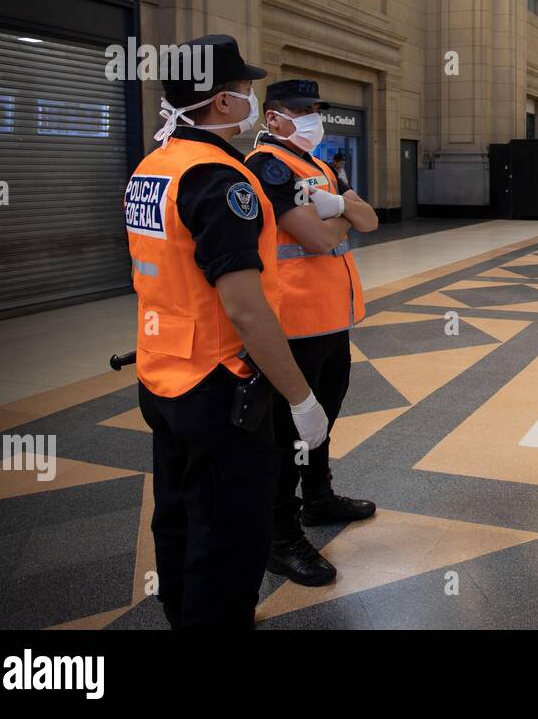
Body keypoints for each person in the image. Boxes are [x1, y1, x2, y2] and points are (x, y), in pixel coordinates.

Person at [124, 34, 328, 629]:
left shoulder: (152, 167)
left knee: (179, 513)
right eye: (243, 90)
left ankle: (186, 614)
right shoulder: (220, 180)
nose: (250, 100)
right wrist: (301, 397)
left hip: (160, 374)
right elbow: (244, 308)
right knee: (231, 529)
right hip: (219, 385)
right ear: (219, 102)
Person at [247, 79, 379, 586]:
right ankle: (281, 538)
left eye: (316, 110)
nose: (311, 118)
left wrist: (339, 207)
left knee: (322, 419)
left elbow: (367, 220)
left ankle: (318, 500)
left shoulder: (321, 166)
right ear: (274, 117)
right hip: (293, 325)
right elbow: (320, 238)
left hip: (330, 322)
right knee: (286, 433)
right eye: (301, 110)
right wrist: (340, 211)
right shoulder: (268, 166)